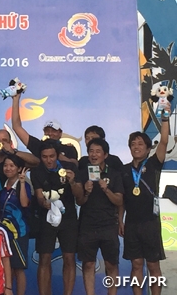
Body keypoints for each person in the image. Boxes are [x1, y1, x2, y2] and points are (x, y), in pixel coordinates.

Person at [120, 116, 170, 295]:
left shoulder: (154, 163)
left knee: (153, 265)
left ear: (148, 148)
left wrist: (165, 118)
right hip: (132, 224)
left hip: (150, 223)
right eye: (133, 143)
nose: (136, 146)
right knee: (136, 265)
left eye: (140, 144)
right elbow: (123, 199)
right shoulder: (124, 170)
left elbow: (164, 141)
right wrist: (120, 220)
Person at [71, 138, 123, 295]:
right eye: (91, 151)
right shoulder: (82, 173)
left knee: (111, 264)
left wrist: (106, 189)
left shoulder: (114, 174)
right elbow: (80, 202)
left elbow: (119, 200)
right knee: (88, 264)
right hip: (88, 225)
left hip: (109, 225)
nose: (94, 155)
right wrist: (85, 191)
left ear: (105, 155)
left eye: (98, 151)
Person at [30, 140, 78, 295]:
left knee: (69, 258)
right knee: (44, 259)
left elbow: (79, 195)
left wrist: (73, 181)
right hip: (46, 219)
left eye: (51, 156)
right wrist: (44, 203)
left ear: (57, 155)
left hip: (69, 218)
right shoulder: (37, 172)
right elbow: (38, 196)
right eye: (44, 157)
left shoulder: (69, 168)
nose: (48, 160)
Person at [0, 155, 32, 295]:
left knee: (18, 268)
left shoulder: (25, 185)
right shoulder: (2, 185)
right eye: (6, 165)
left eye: (12, 165)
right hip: (3, 233)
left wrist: (22, 183)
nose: (8, 168)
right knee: (6, 267)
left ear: (18, 168)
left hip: (19, 233)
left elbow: (24, 203)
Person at [11, 91, 78, 164]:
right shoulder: (39, 146)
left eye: (54, 131)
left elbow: (75, 165)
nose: (50, 133)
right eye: (47, 130)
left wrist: (59, 156)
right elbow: (17, 127)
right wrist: (16, 99)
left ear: (60, 133)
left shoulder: (69, 149)